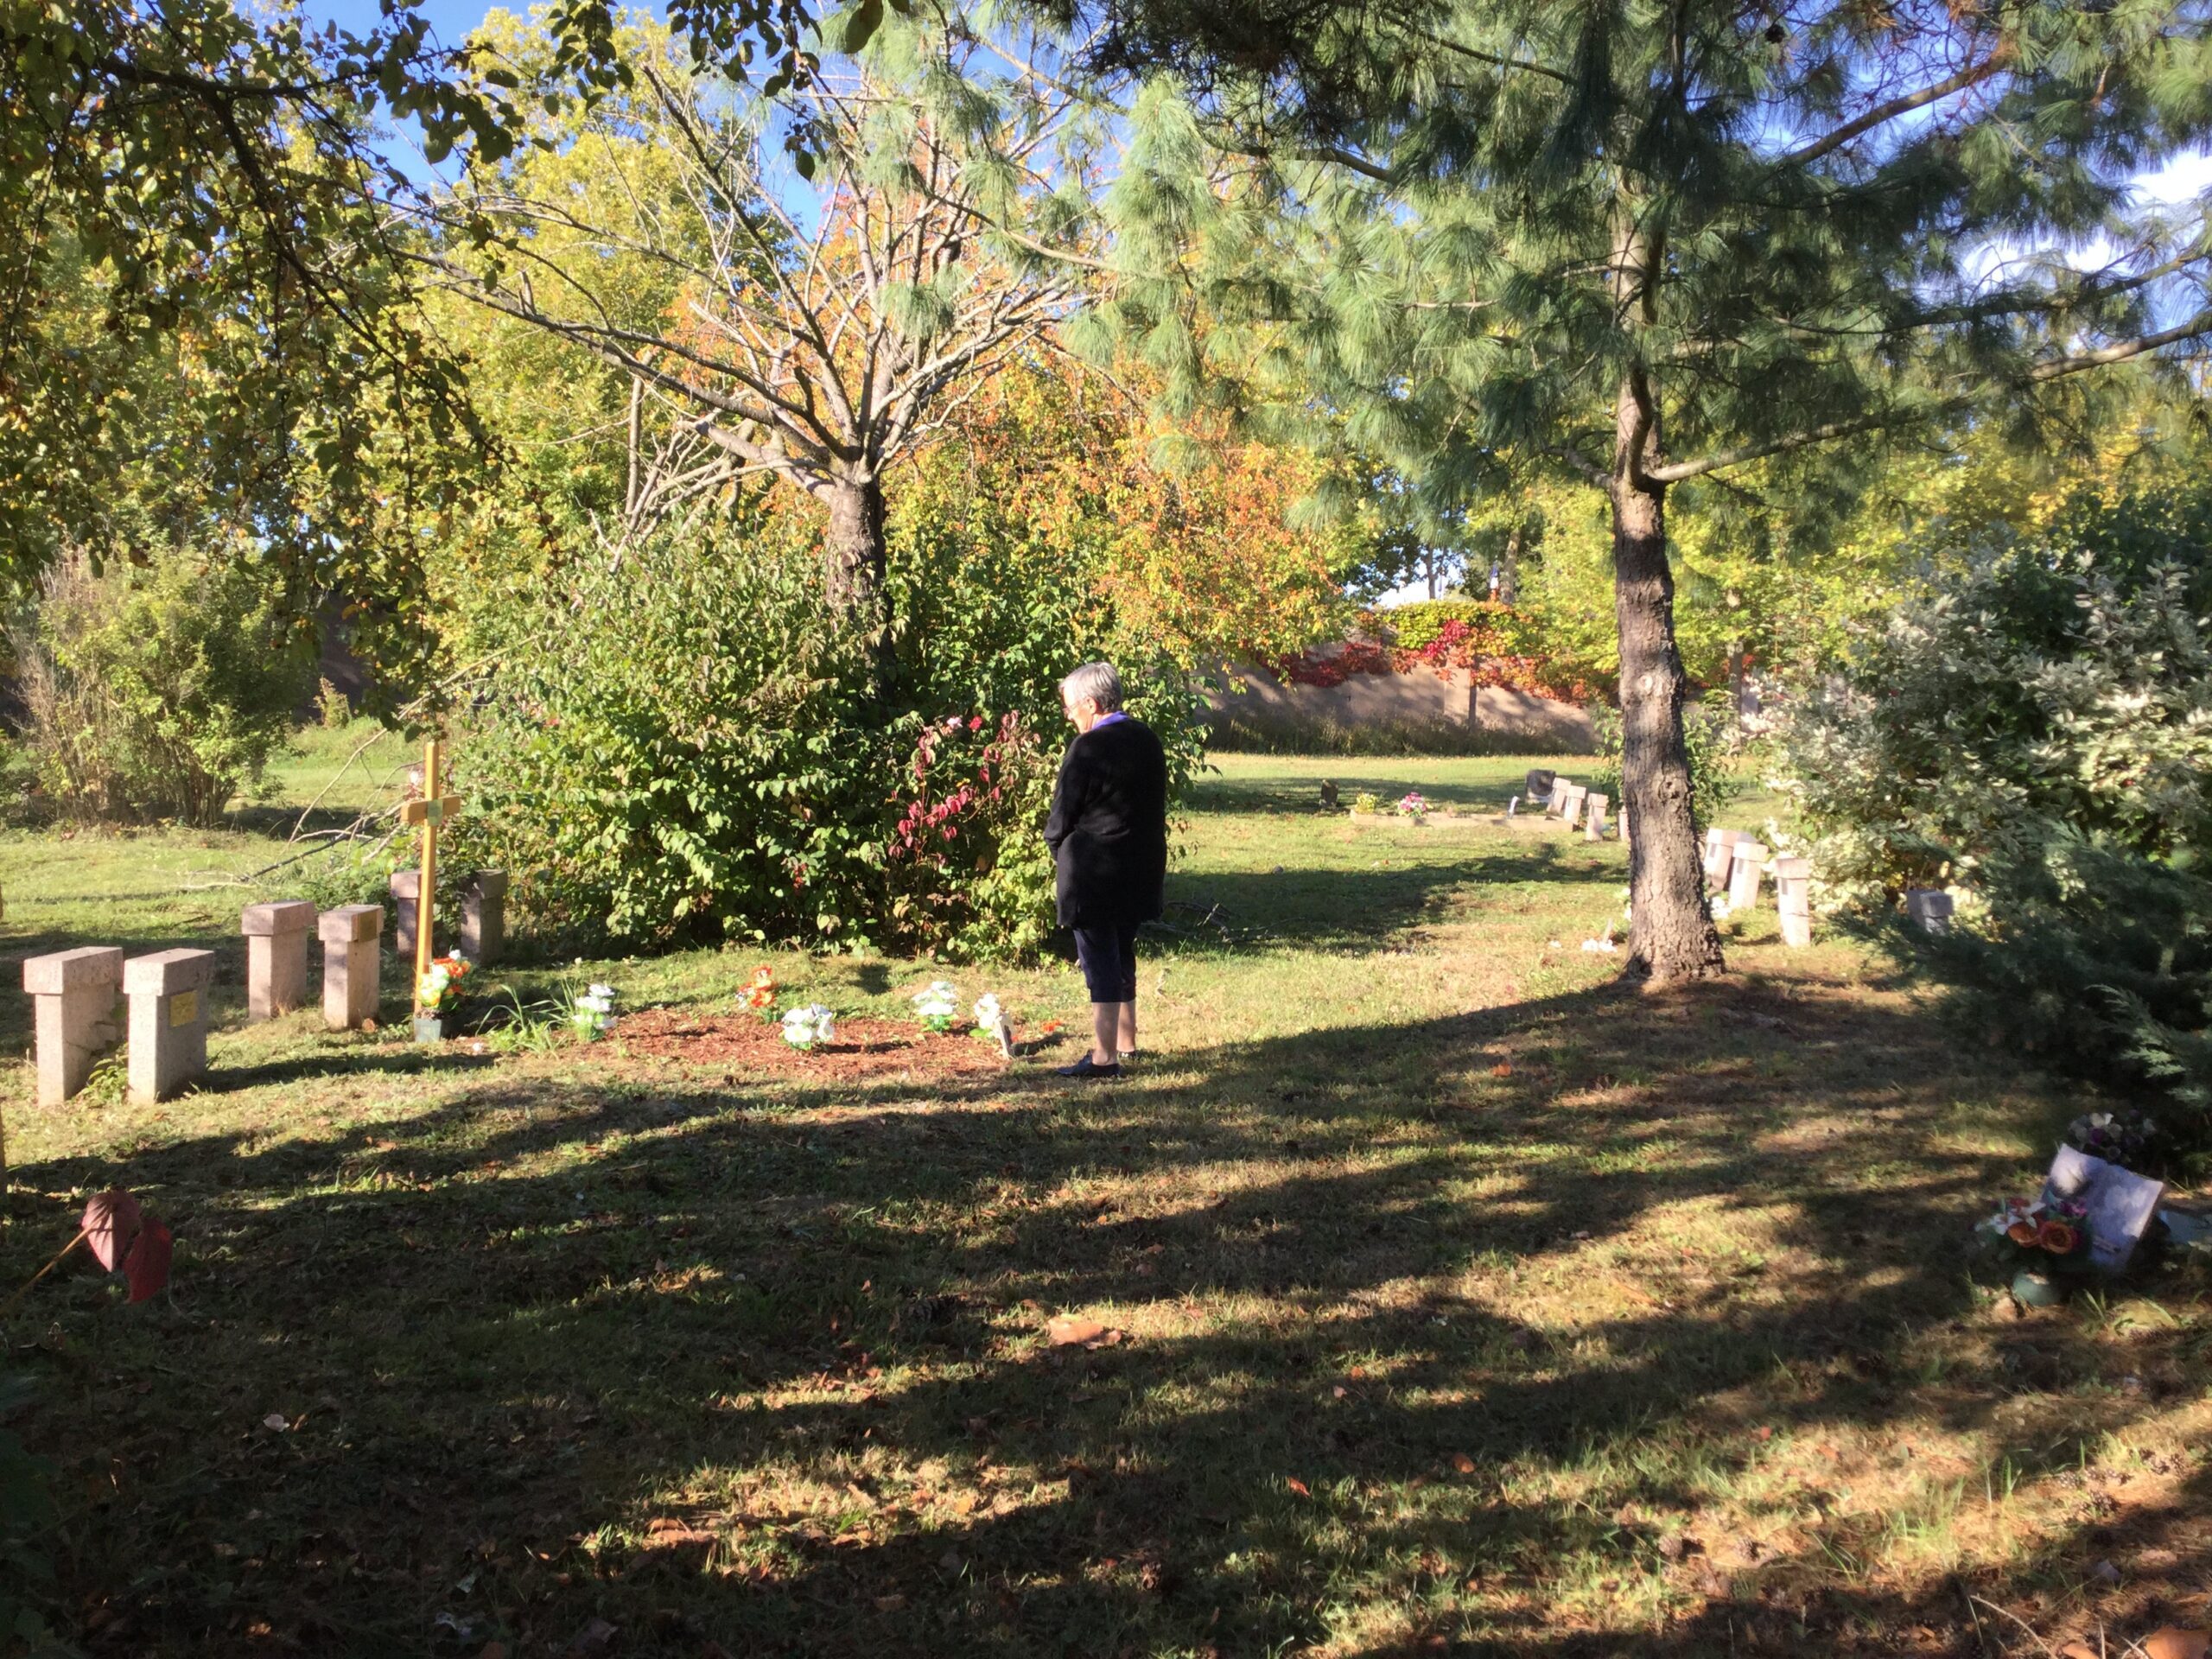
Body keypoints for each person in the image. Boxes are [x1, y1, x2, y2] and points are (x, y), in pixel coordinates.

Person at [1043, 661, 1167, 1079]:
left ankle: (1103, 1058)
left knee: (1099, 962)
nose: (1070, 717)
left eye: (1071, 708)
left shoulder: (1089, 747)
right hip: (1140, 866)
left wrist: (1061, 852)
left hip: (1095, 869)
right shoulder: (1147, 739)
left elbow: (1062, 814)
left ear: (1092, 705)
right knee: (1122, 950)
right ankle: (1127, 1043)